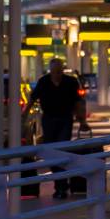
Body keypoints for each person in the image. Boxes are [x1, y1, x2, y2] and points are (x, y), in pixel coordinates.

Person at [28, 58, 87, 199]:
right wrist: (23, 116)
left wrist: (82, 120)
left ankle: (61, 185)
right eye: (55, 72)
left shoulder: (71, 82)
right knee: (51, 153)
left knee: (61, 150)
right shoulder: (43, 82)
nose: (57, 74)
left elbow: (78, 102)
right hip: (48, 120)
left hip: (65, 119)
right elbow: (32, 99)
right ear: (50, 70)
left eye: (59, 71)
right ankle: (60, 184)